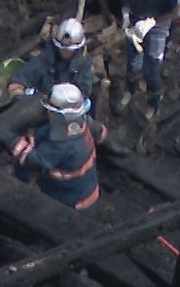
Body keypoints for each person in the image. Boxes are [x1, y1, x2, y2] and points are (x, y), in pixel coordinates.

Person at [9, 83, 109, 211]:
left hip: (72, 203)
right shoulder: (80, 122)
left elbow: (33, 160)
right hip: (85, 191)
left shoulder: (61, 144)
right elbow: (99, 131)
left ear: (59, 115)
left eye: (51, 110)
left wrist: (10, 139)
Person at [7, 17, 99, 112]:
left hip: (72, 112)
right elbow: (16, 82)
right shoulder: (45, 60)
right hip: (43, 110)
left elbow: (85, 91)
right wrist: (21, 99)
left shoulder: (84, 63)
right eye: (62, 48)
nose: (65, 52)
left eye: (69, 50)